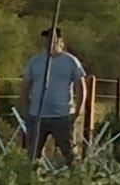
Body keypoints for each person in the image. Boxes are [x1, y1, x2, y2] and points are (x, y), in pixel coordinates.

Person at [16, 27, 90, 163]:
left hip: (62, 116)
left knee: (69, 154)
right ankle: (32, 181)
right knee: (32, 155)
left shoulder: (71, 62)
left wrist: (78, 110)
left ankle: (74, 179)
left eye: (54, 40)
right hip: (37, 116)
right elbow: (25, 87)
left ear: (61, 41)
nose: (50, 43)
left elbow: (81, 88)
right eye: (47, 39)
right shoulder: (35, 61)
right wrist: (25, 110)